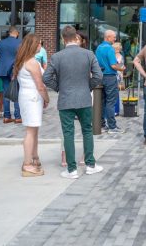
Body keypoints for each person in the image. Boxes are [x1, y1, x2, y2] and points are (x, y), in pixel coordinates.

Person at [44, 25, 104, 178]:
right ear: (76, 38)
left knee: (68, 133)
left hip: (65, 99)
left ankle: (72, 169)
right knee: (87, 131)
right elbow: (98, 76)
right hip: (84, 98)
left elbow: (46, 78)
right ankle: (90, 164)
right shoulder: (88, 54)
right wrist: (87, 87)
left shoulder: (57, 56)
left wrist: (59, 88)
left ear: (63, 39)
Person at [14, 33, 50, 177]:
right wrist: (46, 98)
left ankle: (34, 157)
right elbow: (40, 86)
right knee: (30, 131)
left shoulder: (23, 60)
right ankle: (27, 163)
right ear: (33, 45)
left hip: (27, 96)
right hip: (33, 98)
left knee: (34, 130)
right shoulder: (32, 63)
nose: (40, 46)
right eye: (39, 44)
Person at [0, 27, 22, 123]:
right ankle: (18, 116)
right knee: (16, 92)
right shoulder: (20, 42)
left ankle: (7, 116)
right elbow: (24, 55)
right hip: (15, 70)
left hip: (3, 70)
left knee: (6, 93)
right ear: (17, 33)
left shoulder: (1, 43)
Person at [95, 30, 125, 134]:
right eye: (114, 37)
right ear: (108, 37)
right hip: (110, 77)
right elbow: (113, 65)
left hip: (100, 77)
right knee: (111, 102)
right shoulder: (110, 49)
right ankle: (112, 127)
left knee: (102, 101)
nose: (115, 39)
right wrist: (122, 68)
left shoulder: (98, 48)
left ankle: (102, 125)